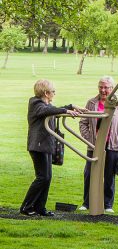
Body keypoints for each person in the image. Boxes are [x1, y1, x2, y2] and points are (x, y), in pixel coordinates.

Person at [21, 80, 82, 216]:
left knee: (47, 177)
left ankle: (39, 207)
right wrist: (65, 110)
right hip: (38, 146)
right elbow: (47, 111)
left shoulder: (45, 104)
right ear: (46, 93)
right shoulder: (36, 104)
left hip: (45, 146)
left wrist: (71, 106)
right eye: (53, 91)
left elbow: (53, 109)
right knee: (42, 177)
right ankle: (26, 206)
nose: (54, 93)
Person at [78, 76, 118, 213]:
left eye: (106, 87)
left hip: (112, 144)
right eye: (101, 87)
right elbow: (83, 121)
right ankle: (87, 202)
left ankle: (108, 205)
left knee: (109, 175)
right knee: (89, 173)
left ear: (112, 88)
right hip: (94, 145)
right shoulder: (91, 102)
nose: (103, 90)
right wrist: (88, 138)